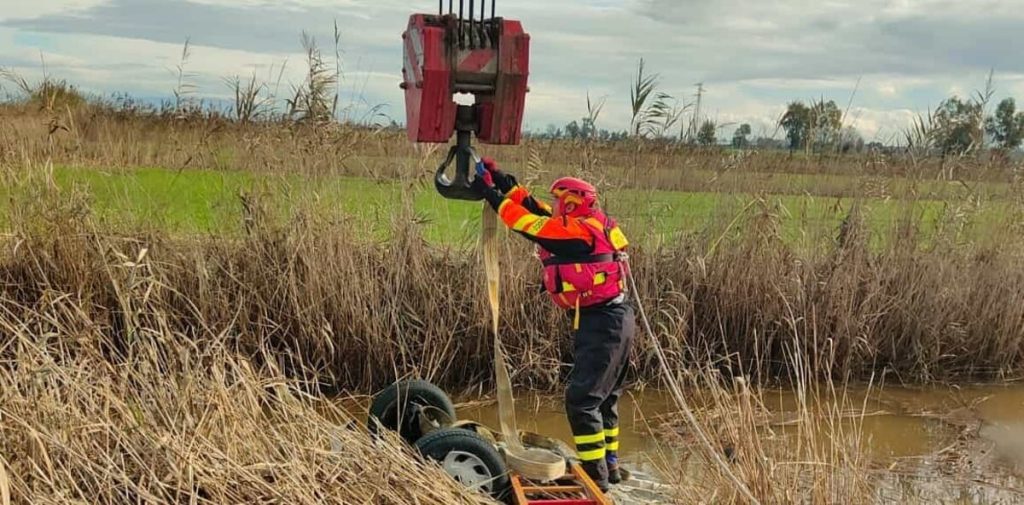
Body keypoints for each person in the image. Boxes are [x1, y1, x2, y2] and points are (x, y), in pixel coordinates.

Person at [472, 157, 635, 491]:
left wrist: (489, 194)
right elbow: (538, 211)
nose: (558, 205)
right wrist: (504, 183)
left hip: (604, 322)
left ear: (573, 202)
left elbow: (528, 225)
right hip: (616, 319)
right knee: (604, 398)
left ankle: (596, 477)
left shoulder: (576, 231)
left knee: (582, 400)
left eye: (563, 201)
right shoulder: (589, 224)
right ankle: (610, 468)